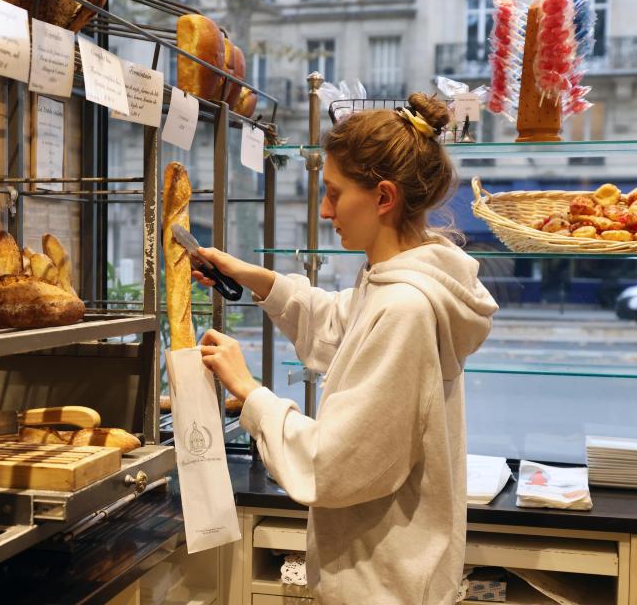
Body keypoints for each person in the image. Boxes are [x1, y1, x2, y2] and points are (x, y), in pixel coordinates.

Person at [194, 93, 499, 604]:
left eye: (333, 193)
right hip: (387, 575)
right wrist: (256, 278)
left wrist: (250, 392)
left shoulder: (405, 307)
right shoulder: (393, 280)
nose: (324, 209)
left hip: (386, 586)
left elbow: (334, 465)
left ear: (383, 197)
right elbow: (342, 324)